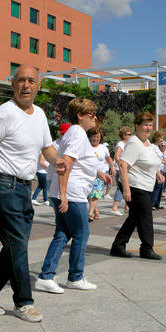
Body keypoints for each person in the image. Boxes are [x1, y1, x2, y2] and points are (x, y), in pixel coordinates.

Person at [0, 65, 63, 325]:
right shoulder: (4, 113)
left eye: (31, 80)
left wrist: (58, 162)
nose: (26, 85)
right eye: (21, 80)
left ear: (38, 85)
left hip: (24, 187)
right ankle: (23, 302)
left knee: (14, 246)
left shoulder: (40, 114)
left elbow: (47, 148)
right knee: (18, 246)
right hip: (2, 184)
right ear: (13, 83)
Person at [35, 98, 111, 294]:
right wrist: (63, 194)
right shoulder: (77, 133)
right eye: (91, 114)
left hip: (67, 191)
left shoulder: (75, 133)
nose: (95, 117)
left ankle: (46, 276)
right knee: (82, 233)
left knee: (62, 233)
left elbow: (78, 163)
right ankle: (75, 277)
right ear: (80, 115)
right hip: (71, 193)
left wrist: (100, 174)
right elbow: (65, 164)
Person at [110, 113, 164, 259]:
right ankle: (146, 248)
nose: (148, 128)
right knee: (146, 217)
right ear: (137, 126)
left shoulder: (147, 143)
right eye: (145, 125)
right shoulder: (134, 142)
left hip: (146, 186)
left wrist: (158, 173)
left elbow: (148, 161)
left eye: (150, 125)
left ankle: (118, 246)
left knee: (134, 217)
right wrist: (126, 189)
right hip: (136, 186)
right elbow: (122, 164)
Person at [87, 127, 114, 221]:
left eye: (98, 137)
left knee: (95, 194)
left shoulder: (103, 148)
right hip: (88, 174)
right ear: (90, 137)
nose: (96, 139)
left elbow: (108, 158)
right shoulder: (86, 146)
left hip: (100, 175)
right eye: (94, 136)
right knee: (88, 195)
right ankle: (96, 211)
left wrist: (112, 167)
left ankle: (90, 214)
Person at [110, 126, 132, 215]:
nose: (130, 136)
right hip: (120, 169)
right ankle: (114, 207)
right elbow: (116, 156)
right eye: (129, 134)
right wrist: (120, 165)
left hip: (125, 169)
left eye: (131, 134)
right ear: (124, 135)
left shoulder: (127, 144)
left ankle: (127, 207)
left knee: (126, 187)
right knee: (121, 188)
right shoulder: (121, 144)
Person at [150, 131, 166, 210]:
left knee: (160, 187)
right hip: (156, 170)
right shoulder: (152, 146)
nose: (161, 140)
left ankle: (157, 203)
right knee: (156, 187)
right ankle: (152, 203)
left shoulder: (157, 147)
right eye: (160, 138)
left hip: (160, 169)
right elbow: (153, 158)